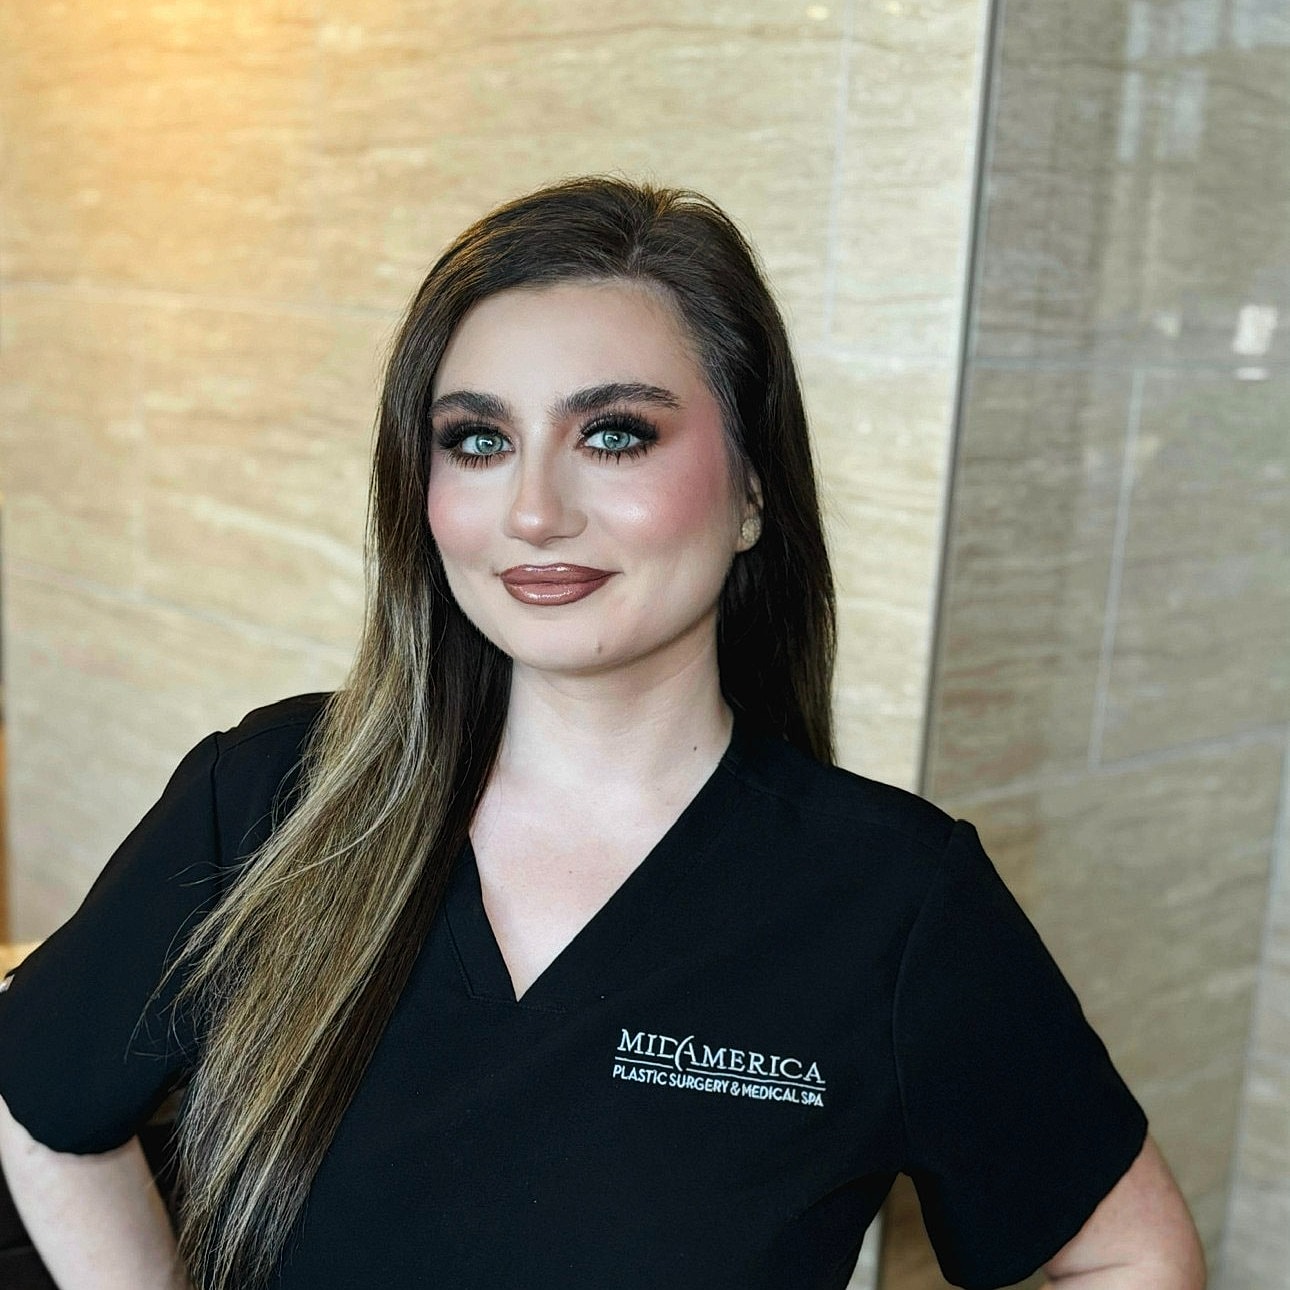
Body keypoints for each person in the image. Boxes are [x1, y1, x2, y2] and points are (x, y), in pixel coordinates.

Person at [0, 176, 1204, 1290]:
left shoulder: (892, 900)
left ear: (751, 494)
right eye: (478, 440)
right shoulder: (268, 794)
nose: (533, 509)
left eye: (615, 432)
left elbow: (1130, 1257)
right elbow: (44, 1105)